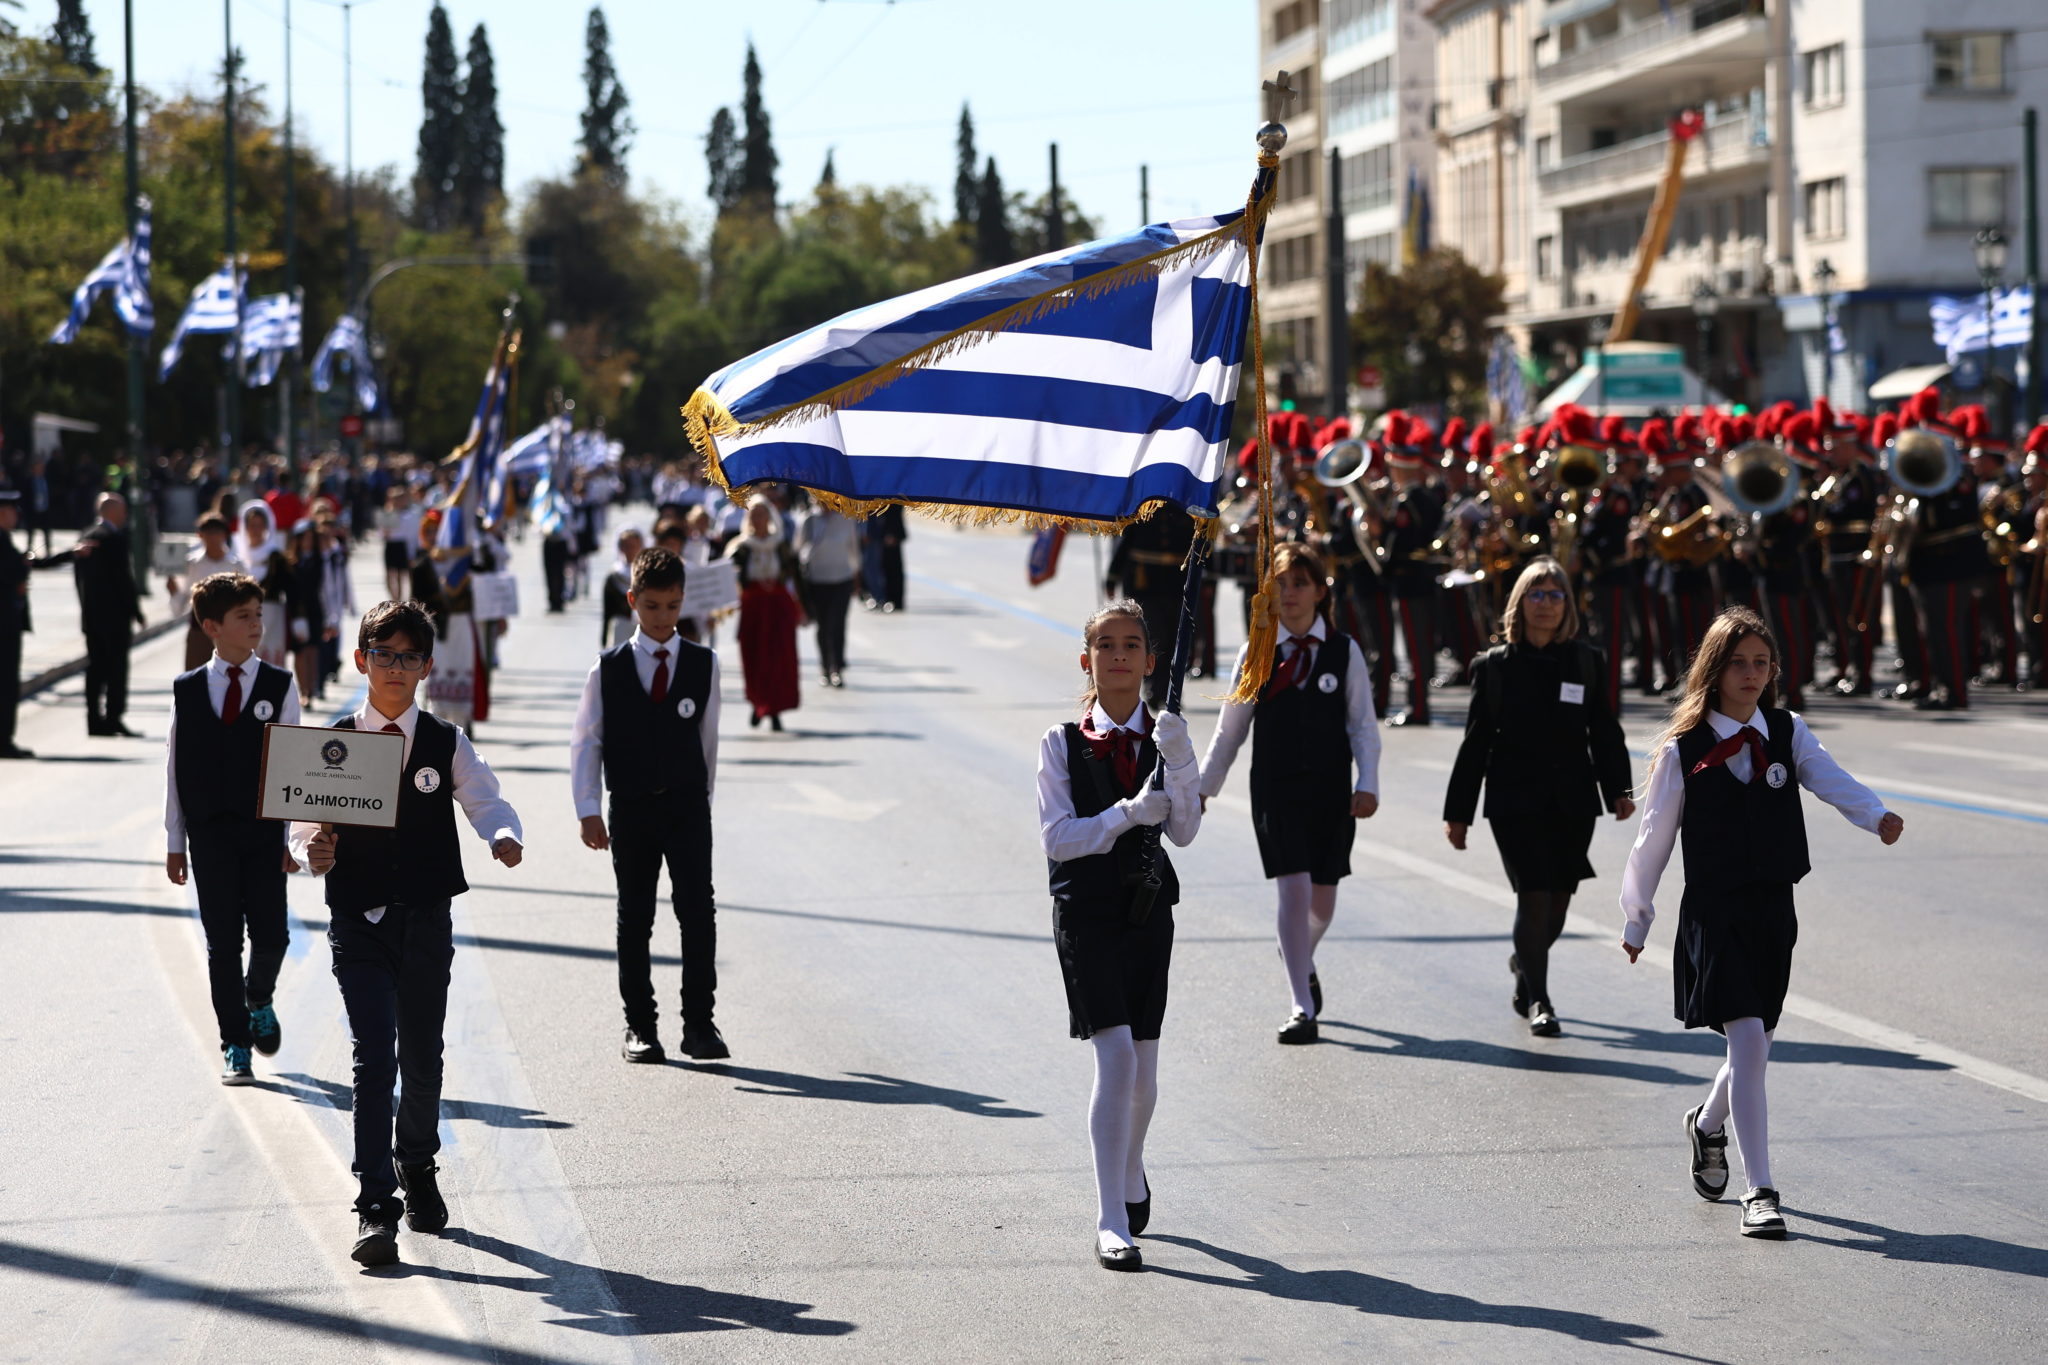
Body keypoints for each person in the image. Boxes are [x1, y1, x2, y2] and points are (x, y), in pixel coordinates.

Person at [1620, 606, 1904, 1240]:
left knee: (1756, 1046)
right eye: (1739, 664)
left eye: (1762, 663)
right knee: (1747, 1042)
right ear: (1714, 672)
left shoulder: (1786, 731)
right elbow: (1653, 840)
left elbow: (1831, 780)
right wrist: (1637, 918)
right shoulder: (1684, 751)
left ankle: (1706, 1124)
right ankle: (1761, 1191)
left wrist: (1874, 814)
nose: (1752, 674)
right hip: (1715, 913)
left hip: (1774, 907)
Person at [289, 599, 524, 1266]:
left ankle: (416, 1163)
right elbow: (304, 827)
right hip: (359, 922)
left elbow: (485, 797)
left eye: (408, 656)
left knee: (422, 1061)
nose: (395, 667)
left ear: (425, 665)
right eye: (382, 653)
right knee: (374, 1062)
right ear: (361, 659)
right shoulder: (332, 740)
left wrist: (502, 835)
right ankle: (374, 1207)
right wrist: (313, 852)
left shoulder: (444, 741)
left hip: (425, 920)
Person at [1038, 599, 1202, 1271]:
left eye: (1132, 644)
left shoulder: (1163, 737)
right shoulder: (1061, 741)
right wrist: (1124, 814)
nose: (1119, 656)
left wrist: (1184, 763)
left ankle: (1131, 1167)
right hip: (1086, 912)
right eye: (1106, 645)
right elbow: (1058, 838)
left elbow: (1185, 832)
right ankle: (1111, 1218)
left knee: (1146, 1070)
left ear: (1151, 659)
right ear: (1087, 660)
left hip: (1148, 911)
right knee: (1118, 1061)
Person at [1197, 543, 1381, 1044]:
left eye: (1300, 583)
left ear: (1321, 592)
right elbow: (1230, 730)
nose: (1290, 593)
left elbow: (1363, 726)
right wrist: (1204, 789)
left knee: (1323, 899)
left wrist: (1367, 783)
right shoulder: (1258, 651)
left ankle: (1297, 950)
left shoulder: (1344, 651)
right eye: (1280, 583)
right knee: (1294, 888)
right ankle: (1302, 1003)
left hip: (1330, 792)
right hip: (1276, 789)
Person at [1443, 557, 1635, 1036]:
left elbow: (1605, 731)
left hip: (1573, 799)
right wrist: (1458, 814)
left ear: (1567, 605)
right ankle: (1541, 1000)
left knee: (1556, 906)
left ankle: (1524, 962)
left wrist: (1619, 790)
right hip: (1514, 799)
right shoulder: (1493, 668)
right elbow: (1476, 743)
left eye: (1555, 595)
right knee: (1532, 898)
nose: (1546, 604)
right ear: (1519, 603)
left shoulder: (1587, 661)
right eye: (1536, 594)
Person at [570, 548, 726, 1063]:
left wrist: (701, 802)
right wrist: (588, 806)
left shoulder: (704, 664)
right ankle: (640, 1025)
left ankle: (700, 1025)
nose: (663, 617)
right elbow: (587, 740)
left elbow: (708, 742)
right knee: (635, 917)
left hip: (685, 808)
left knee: (697, 914)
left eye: (673, 605)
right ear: (633, 601)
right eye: (653, 606)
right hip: (632, 808)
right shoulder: (608, 668)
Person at [163, 573, 302, 1083]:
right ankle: (235, 1044)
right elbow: (176, 769)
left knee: (273, 938)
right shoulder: (187, 688)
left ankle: (258, 996)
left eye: (258, 615)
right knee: (223, 945)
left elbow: (295, 767)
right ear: (211, 626)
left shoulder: (280, 685)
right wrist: (175, 841)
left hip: (264, 832)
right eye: (244, 616)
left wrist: (294, 837)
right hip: (210, 836)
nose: (256, 625)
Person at [0, 488, 84, 759]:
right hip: (4, 626)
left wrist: (68, 554)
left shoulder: (5, 540)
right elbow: (13, 572)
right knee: (5, 684)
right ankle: (3, 740)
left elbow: (27, 566)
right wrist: (20, 574)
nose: (16, 516)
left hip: (9, 623)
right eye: (12, 510)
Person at [726, 499, 805, 731]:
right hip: (753, 609)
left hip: (778, 608)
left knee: (779, 659)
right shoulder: (740, 548)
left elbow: (795, 577)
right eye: (754, 514)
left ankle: (775, 710)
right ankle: (758, 703)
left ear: (770, 517)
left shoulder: (781, 545)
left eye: (762, 514)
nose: (758, 519)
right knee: (754, 657)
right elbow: (728, 577)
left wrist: (803, 608)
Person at [74, 492, 147, 738]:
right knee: (115, 669)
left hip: (92, 615)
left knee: (95, 668)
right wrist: (135, 610)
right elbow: (122, 579)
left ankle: (94, 719)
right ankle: (113, 716)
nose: (125, 514)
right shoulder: (113, 538)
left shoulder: (86, 536)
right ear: (111, 512)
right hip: (114, 617)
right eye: (122, 509)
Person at [169, 513, 245, 671]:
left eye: (217, 533)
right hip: (199, 628)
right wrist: (173, 591)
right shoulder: (192, 564)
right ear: (200, 536)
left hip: (228, 630)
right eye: (208, 534)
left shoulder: (236, 565)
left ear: (224, 535)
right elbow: (182, 600)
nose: (213, 539)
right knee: (196, 677)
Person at [796, 503, 860, 688]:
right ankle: (825, 667)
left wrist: (857, 576)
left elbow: (853, 549)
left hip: (842, 579)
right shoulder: (808, 519)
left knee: (838, 624)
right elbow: (798, 548)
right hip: (817, 580)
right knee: (823, 625)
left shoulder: (846, 519)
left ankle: (837, 668)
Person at [233, 500, 292, 666]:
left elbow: (289, 588)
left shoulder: (275, 556)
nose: (255, 530)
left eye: (259, 525)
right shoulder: (237, 557)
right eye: (252, 525)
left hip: (272, 615)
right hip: (242, 616)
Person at [286, 520, 327, 708]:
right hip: (296, 611)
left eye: (311, 538)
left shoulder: (321, 560)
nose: (308, 542)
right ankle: (303, 691)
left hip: (314, 609)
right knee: (299, 652)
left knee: (313, 651)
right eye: (304, 538)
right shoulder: (291, 561)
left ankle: (311, 688)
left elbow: (327, 588)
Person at [600, 526, 645, 649]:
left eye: (634, 546)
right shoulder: (614, 575)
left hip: (644, 626)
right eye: (626, 546)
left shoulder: (647, 572)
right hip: (621, 626)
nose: (630, 550)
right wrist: (604, 638)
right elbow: (607, 610)